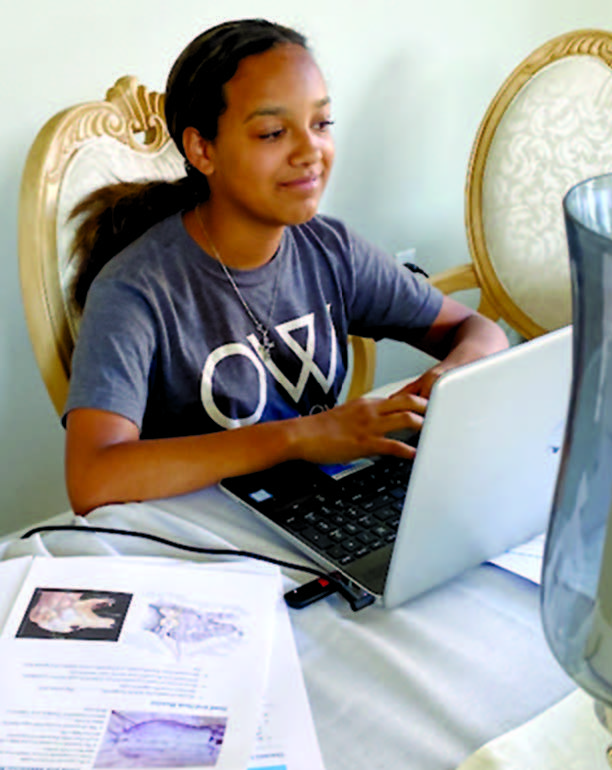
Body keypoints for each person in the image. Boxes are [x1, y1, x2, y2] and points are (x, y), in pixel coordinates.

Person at [64, 19, 509, 515]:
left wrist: (441, 384)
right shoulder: (135, 290)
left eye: (321, 124)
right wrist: (300, 437)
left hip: (319, 515)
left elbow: (479, 331)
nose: (310, 153)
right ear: (202, 149)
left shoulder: (330, 250)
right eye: (274, 132)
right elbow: (93, 477)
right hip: (197, 541)